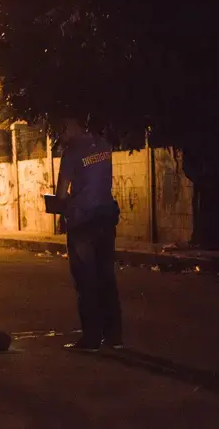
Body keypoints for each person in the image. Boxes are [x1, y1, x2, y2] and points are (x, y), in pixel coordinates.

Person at [55, 117, 123, 352]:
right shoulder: (104, 145)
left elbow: (61, 192)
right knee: (106, 277)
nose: (60, 140)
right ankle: (114, 336)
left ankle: (91, 339)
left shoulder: (71, 153)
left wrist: (61, 210)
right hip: (105, 216)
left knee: (86, 280)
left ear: (67, 128)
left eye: (59, 133)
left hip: (82, 222)